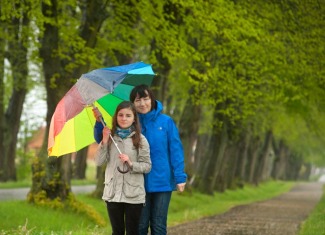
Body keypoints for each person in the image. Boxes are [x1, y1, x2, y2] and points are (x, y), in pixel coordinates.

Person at [93, 84, 187, 235]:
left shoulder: (166, 122)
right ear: (133, 103)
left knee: (158, 225)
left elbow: (175, 149)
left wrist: (180, 176)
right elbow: (105, 139)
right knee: (140, 226)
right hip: (137, 183)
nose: (142, 103)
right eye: (138, 100)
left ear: (152, 99)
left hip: (161, 180)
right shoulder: (129, 122)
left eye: (146, 98)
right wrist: (99, 122)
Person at [95, 101, 151, 235]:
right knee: (117, 232)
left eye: (128, 115)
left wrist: (131, 163)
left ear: (134, 118)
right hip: (113, 193)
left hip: (134, 194)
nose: (124, 118)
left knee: (132, 232)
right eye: (120, 115)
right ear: (116, 117)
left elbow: (147, 166)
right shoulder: (109, 137)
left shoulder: (141, 140)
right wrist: (104, 140)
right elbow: (98, 161)